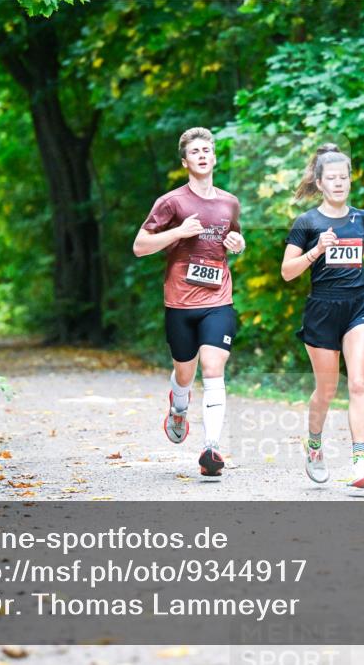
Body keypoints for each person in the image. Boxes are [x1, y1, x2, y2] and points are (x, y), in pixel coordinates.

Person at [132, 128, 245, 478]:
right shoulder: (172, 202)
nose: (201, 155)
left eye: (207, 150)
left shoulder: (229, 202)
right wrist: (178, 233)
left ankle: (211, 448)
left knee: (213, 368)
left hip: (218, 298)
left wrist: (237, 243)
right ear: (185, 161)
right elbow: (140, 246)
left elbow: (233, 236)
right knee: (186, 371)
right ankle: (178, 406)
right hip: (180, 302)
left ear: (213, 158)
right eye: (194, 151)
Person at [280, 144, 364, 489]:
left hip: (358, 306)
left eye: (345, 178)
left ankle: (361, 462)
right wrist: (316, 251)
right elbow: (287, 272)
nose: (339, 183)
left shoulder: (362, 218)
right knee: (327, 390)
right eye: (332, 178)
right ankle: (314, 445)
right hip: (323, 310)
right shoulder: (307, 222)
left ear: (350, 181)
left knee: (357, 382)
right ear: (320, 183)